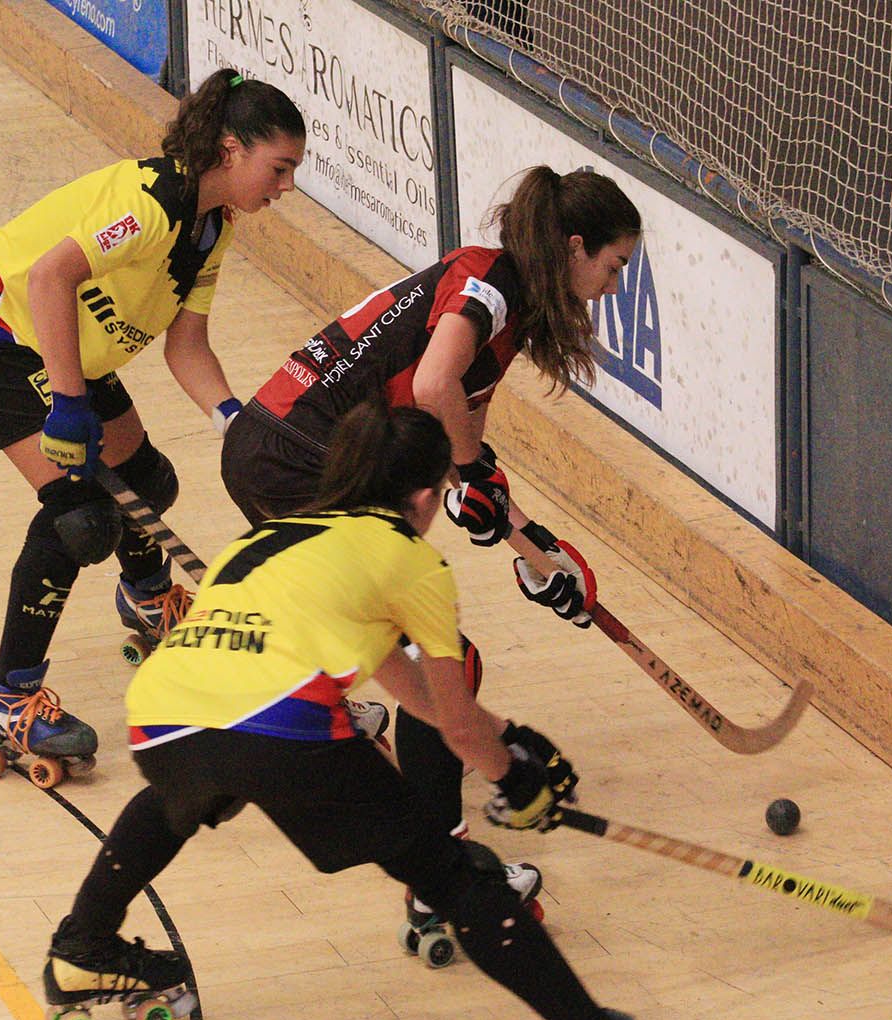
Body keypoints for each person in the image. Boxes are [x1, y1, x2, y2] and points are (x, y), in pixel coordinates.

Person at [42, 402, 679, 1020]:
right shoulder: (412, 560)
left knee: (189, 792)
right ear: (428, 497)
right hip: (277, 724)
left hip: (162, 714)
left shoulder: (268, 536)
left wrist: (511, 736)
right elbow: (457, 723)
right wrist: (517, 779)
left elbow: (411, 688)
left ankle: (82, 945)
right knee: (460, 881)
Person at [218, 165, 641, 923]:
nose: (611, 287)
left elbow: (456, 444)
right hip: (300, 457)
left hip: (281, 449)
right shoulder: (489, 283)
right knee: (445, 664)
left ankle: (403, 826)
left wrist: (538, 556)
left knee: (412, 655)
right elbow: (433, 389)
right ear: (576, 248)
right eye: (612, 267)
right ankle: (441, 878)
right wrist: (473, 479)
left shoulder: (500, 300)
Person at [0, 69, 306, 773]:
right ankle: (7, 697)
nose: (284, 188)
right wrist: (68, 404)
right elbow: (48, 278)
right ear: (230, 150)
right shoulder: (151, 202)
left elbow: (187, 345)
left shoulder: (212, 228)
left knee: (146, 480)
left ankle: (150, 598)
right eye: (278, 169)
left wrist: (232, 418)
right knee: (80, 517)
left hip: (58, 337)